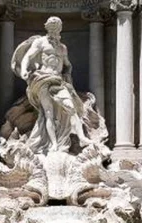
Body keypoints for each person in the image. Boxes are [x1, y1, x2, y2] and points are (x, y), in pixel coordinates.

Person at [11, 16, 93, 154]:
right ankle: (54, 145)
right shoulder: (40, 42)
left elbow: (66, 64)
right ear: (47, 28)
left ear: (60, 29)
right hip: (43, 79)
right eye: (51, 28)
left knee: (71, 108)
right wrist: (24, 69)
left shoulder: (62, 48)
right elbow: (28, 56)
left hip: (58, 81)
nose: (54, 31)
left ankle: (82, 138)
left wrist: (68, 70)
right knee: (48, 113)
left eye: (56, 28)